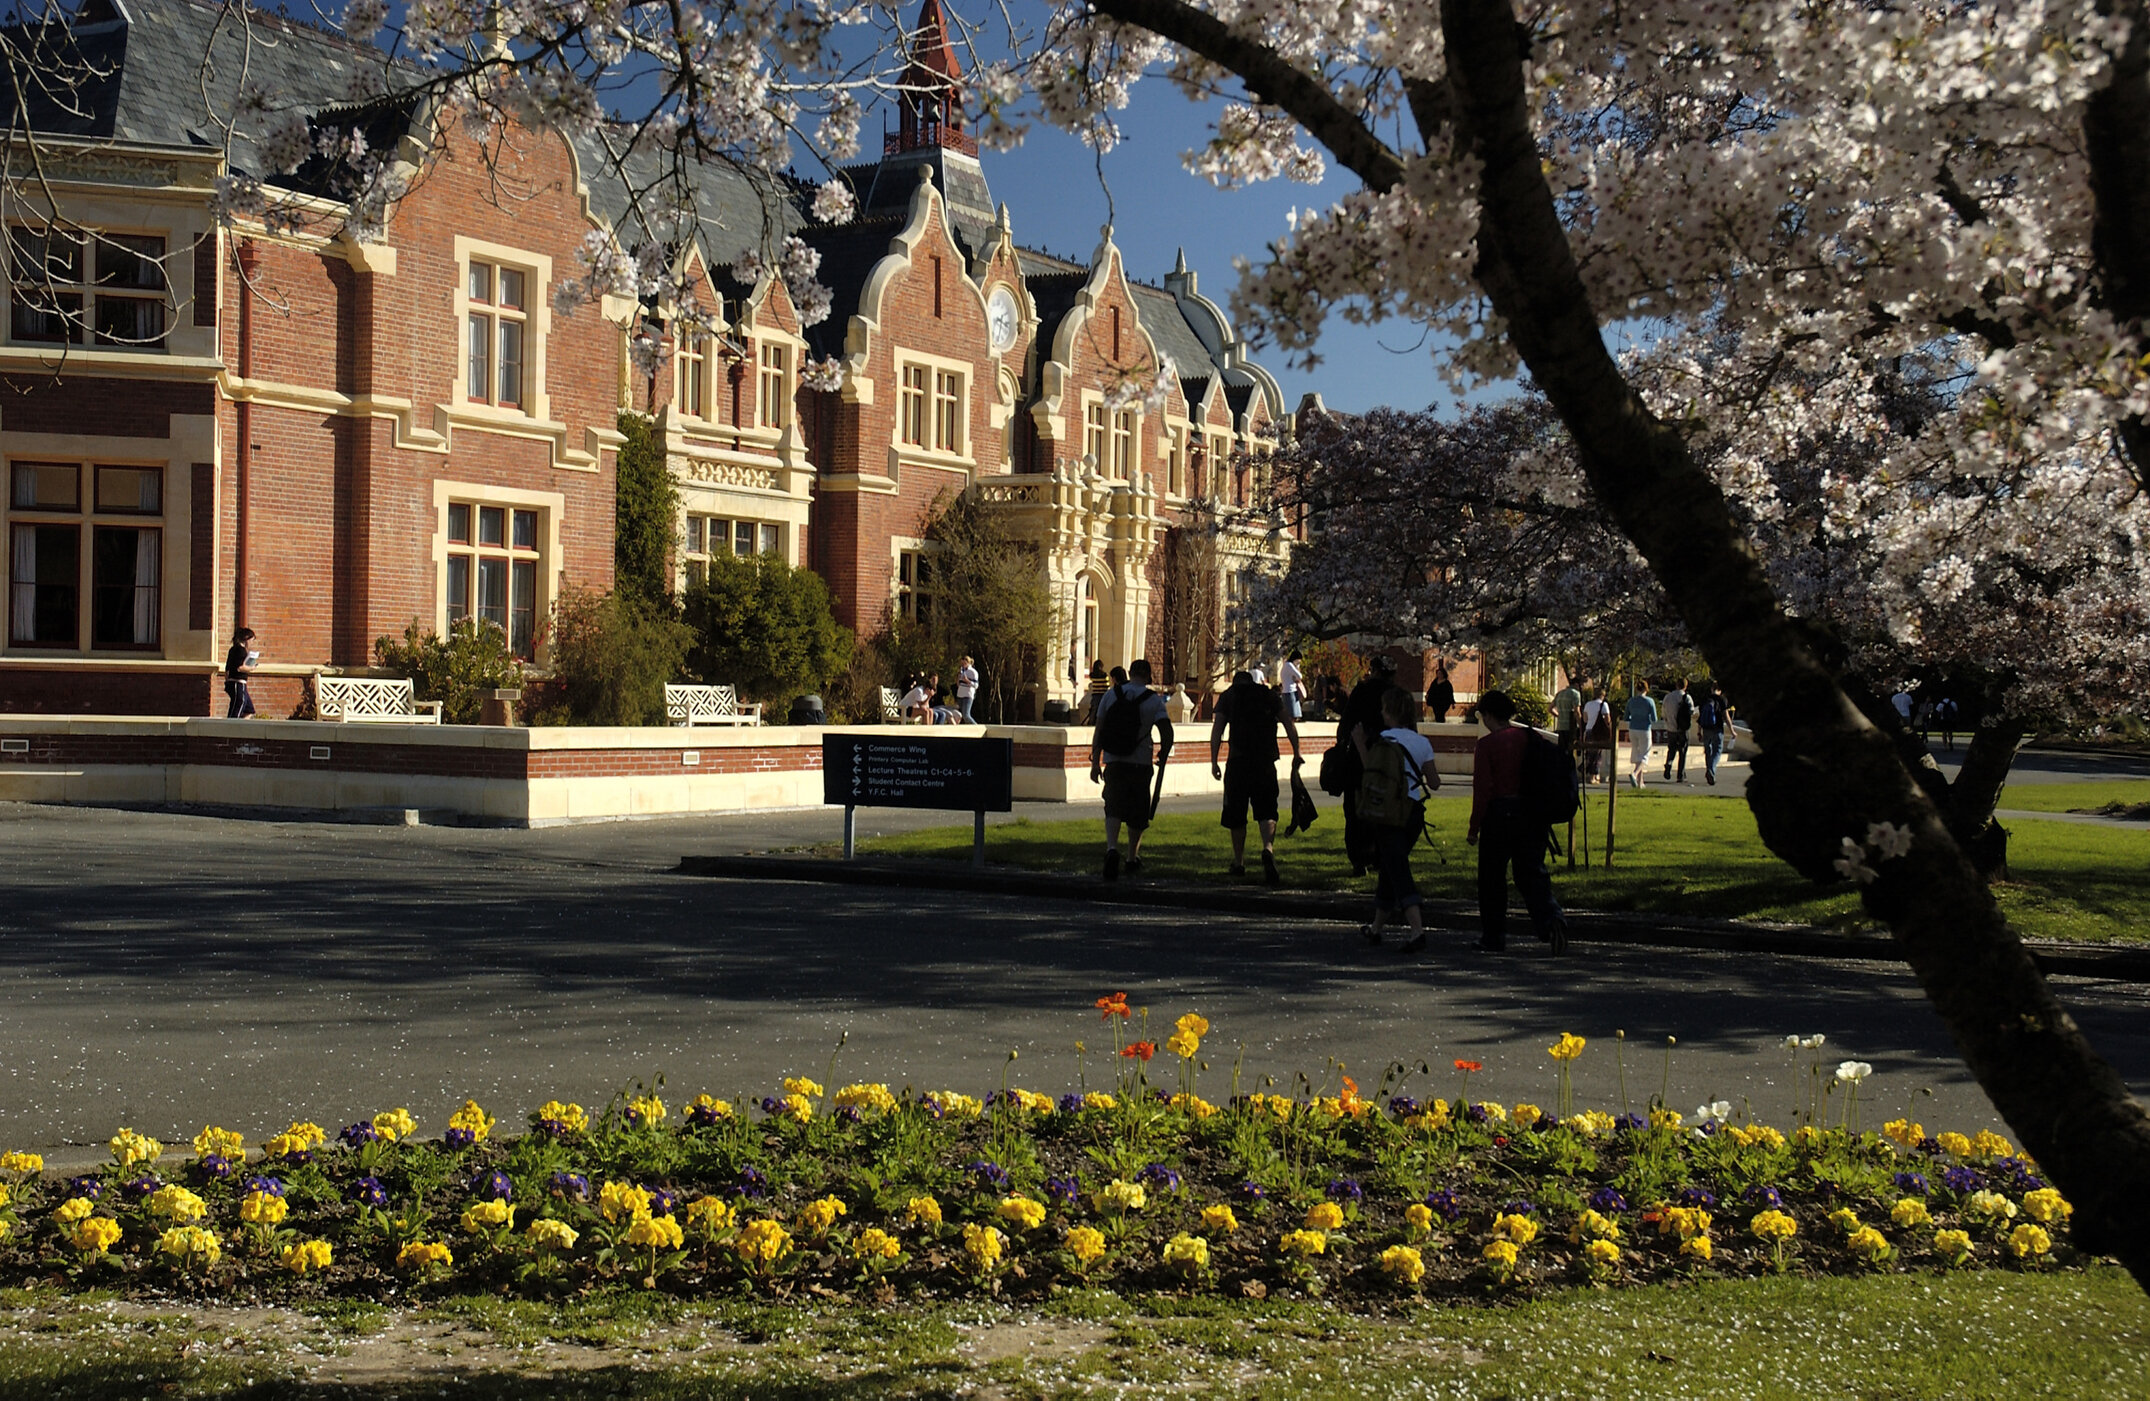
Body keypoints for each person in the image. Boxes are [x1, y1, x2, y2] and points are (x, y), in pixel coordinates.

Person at [1466, 689, 1568, 954]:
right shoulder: (1529, 738)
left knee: (1492, 879)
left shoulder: (1487, 745)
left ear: (1489, 714)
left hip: (1499, 814)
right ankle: (1551, 918)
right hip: (1532, 812)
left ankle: (1493, 936)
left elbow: (1483, 789)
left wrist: (1474, 828)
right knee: (1531, 873)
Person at [1355, 686, 1437, 952]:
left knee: (1397, 868)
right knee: (1391, 866)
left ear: (1389, 712)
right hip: (1412, 814)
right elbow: (1434, 783)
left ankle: (1417, 930)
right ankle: (1376, 928)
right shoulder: (1422, 742)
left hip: (1388, 814)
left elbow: (1371, 771)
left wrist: (1358, 744)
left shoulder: (1383, 740)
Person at [1210, 669, 1303, 884]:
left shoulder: (1229, 696)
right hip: (1265, 761)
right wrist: (1297, 752)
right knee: (1267, 809)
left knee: (1236, 813)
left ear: (1235, 682)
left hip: (1238, 761)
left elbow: (1218, 730)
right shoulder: (1269, 695)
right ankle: (1267, 849)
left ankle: (1239, 862)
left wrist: (1214, 760)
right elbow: (1289, 723)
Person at [1090, 658, 1173, 880]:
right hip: (1140, 762)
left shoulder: (1111, 695)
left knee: (1113, 807)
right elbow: (1167, 731)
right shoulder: (1153, 701)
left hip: (1114, 760)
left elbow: (1099, 730)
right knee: (1138, 812)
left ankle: (1111, 849)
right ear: (1148, 676)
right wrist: (1163, 754)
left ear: (1130, 672)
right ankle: (1131, 857)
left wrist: (1095, 762)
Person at [1335, 654, 1400, 875]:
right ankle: (1380, 857)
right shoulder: (1396, 695)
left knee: (1355, 811)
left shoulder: (1361, 692)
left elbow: (1345, 726)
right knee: (1383, 808)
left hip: (1357, 756)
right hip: (1388, 758)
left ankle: (1358, 858)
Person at [1624, 681, 1658, 788]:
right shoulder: (1649, 701)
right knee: (1644, 755)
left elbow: (1626, 717)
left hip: (1633, 728)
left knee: (1637, 753)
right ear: (1646, 689)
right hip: (1644, 729)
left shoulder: (1631, 701)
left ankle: (1640, 782)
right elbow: (1654, 718)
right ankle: (1634, 774)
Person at [1696, 681, 1730, 785]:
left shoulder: (1705, 699)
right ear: (1720, 690)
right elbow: (1726, 716)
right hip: (1718, 728)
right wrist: (1732, 730)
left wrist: (1699, 732)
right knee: (1717, 750)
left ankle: (1709, 770)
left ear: (1711, 689)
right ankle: (1711, 770)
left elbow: (1700, 717)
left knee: (1708, 751)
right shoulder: (1722, 699)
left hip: (1706, 729)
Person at [1660, 679, 1693, 783]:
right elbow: (1691, 711)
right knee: (1682, 752)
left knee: (1672, 749)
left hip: (1671, 728)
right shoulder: (1686, 697)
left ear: (1676, 685)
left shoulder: (1668, 697)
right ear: (1685, 686)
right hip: (1682, 728)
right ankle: (1680, 775)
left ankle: (1669, 763)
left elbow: (1663, 713)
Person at [224, 626, 259, 718]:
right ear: (246, 638)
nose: (252, 643)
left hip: (233, 682)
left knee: (249, 709)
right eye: (252, 640)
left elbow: (227, 668)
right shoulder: (240, 650)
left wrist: (227, 681)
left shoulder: (233, 649)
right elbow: (240, 668)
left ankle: (240, 729)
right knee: (237, 709)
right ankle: (231, 729)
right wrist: (251, 668)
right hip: (238, 683)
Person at [1580, 687, 1611, 784]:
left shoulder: (1588, 704)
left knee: (1589, 753)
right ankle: (1592, 776)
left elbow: (1585, 719)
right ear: (1603, 695)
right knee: (1597, 755)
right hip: (1598, 732)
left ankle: (1587, 772)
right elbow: (1608, 720)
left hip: (1589, 730)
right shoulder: (1603, 705)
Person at [1552, 673, 1584, 759]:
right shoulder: (1575, 694)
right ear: (1576, 684)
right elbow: (1577, 712)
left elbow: (1550, 708)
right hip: (1571, 728)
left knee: (1562, 751)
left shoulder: (1559, 694)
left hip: (1560, 726)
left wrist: (1559, 715)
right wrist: (1581, 726)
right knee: (1572, 750)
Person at [1279, 651, 1306, 720]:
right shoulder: (1289, 665)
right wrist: (1297, 667)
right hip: (1290, 691)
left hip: (1288, 690)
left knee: (1292, 714)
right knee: (1292, 714)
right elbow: (1300, 676)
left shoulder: (1286, 665)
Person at [955, 656, 980, 724]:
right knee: (960, 714)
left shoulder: (973, 672)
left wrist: (967, 681)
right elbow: (959, 684)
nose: (962, 665)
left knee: (966, 715)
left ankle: (976, 727)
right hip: (960, 694)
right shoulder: (961, 671)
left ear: (968, 663)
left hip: (967, 695)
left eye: (964, 663)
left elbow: (976, 685)